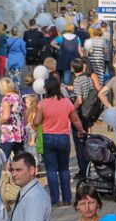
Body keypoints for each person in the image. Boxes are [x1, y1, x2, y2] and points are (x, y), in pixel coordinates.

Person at [35, 77, 85, 206]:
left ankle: (55, 200)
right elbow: (75, 120)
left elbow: (36, 122)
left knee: (51, 170)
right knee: (64, 169)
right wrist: (80, 130)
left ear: (46, 89)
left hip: (48, 138)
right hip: (63, 138)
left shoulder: (42, 104)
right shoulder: (66, 102)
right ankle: (67, 199)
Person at [69, 58, 98, 181]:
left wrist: (71, 110)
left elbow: (79, 100)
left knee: (79, 143)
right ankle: (87, 168)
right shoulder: (88, 79)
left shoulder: (77, 81)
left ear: (73, 69)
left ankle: (83, 171)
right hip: (88, 113)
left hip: (80, 114)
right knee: (85, 141)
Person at [0, 78, 27, 161]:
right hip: (19, 133)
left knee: (2, 158)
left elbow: (6, 117)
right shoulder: (18, 97)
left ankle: (2, 173)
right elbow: (25, 114)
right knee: (20, 159)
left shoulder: (6, 99)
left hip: (9, 133)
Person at [5, 27, 27, 91]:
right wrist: (24, 56)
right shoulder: (21, 41)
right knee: (17, 75)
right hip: (18, 59)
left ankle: (11, 88)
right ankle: (16, 88)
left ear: (11, 32)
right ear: (17, 32)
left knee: (11, 75)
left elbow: (7, 50)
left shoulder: (8, 40)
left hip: (11, 58)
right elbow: (24, 51)